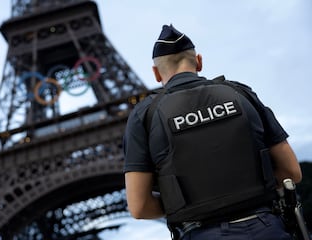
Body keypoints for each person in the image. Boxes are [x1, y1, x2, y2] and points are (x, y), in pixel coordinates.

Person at [122, 24, 302, 240]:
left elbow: (139, 207)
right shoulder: (240, 93)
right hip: (267, 228)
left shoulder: (145, 114)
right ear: (199, 61)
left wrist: (183, 204)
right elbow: (291, 172)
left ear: (155, 73)